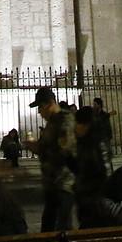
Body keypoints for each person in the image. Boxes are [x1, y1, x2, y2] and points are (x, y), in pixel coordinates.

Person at [32, 87, 79, 233]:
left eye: (40, 107)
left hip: (63, 183)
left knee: (61, 229)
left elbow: (65, 151)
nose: (39, 111)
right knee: (49, 227)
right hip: (52, 183)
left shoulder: (65, 119)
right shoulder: (52, 122)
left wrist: (39, 149)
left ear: (50, 103)